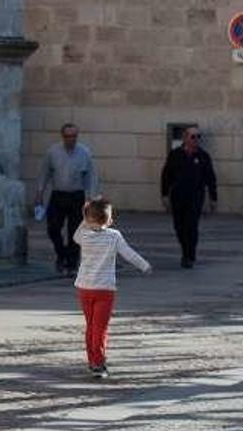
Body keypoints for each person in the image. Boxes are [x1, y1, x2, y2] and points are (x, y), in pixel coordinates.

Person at [73, 197, 151, 379]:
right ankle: (98, 364)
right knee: (100, 328)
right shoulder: (114, 236)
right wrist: (144, 265)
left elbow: (76, 235)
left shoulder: (83, 235)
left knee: (91, 326)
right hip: (105, 289)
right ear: (109, 220)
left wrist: (85, 217)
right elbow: (129, 254)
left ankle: (92, 360)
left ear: (89, 218)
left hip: (84, 287)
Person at [36, 123, 97, 277]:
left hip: (76, 195)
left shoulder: (84, 153)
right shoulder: (53, 152)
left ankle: (71, 262)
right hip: (58, 194)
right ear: (63, 137)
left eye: (74, 136)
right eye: (68, 136)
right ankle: (61, 254)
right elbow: (44, 173)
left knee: (75, 232)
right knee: (53, 228)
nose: (71, 139)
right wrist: (39, 193)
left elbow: (91, 177)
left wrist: (91, 198)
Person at [160, 126, 217, 269]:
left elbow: (210, 177)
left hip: (196, 195)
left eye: (198, 137)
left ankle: (189, 255)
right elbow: (166, 175)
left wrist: (213, 197)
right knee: (179, 226)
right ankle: (185, 250)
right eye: (193, 137)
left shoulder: (203, 156)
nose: (196, 140)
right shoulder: (175, 154)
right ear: (185, 138)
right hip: (178, 195)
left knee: (191, 225)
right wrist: (164, 194)